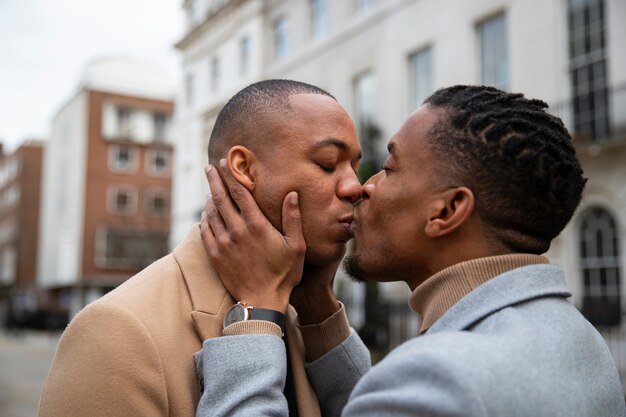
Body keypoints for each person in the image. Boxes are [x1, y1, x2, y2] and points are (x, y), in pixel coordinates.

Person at [195, 85, 625, 416]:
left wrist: (256, 311)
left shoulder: (444, 378)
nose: (362, 186)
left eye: (389, 168)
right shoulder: (581, 340)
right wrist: (315, 307)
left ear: (448, 210)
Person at [38, 79, 363, 417]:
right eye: (328, 163)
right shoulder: (116, 333)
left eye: (354, 166)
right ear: (244, 169)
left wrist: (316, 308)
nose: (355, 186)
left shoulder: (299, 312)